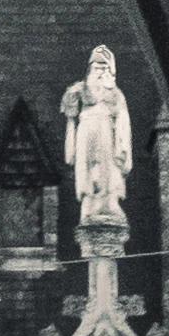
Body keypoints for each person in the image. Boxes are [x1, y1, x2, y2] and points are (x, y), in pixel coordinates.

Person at [62, 44, 133, 233]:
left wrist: (122, 143)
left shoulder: (115, 93)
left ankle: (109, 200)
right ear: (90, 70)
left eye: (104, 69)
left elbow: (123, 118)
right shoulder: (79, 90)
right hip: (86, 132)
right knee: (86, 168)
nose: (100, 73)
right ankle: (89, 200)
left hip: (105, 132)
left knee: (107, 167)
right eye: (96, 68)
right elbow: (71, 118)